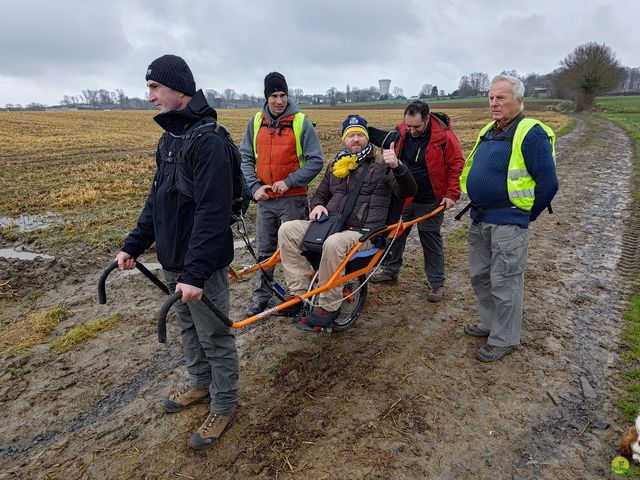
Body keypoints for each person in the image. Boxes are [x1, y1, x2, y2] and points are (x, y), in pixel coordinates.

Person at [115, 54, 239, 449]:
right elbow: (157, 201)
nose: (148, 95)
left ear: (179, 89)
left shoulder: (209, 143)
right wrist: (133, 245)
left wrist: (195, 273)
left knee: (215, 335)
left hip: (199, 265)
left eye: (154, 87)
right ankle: (200, 384)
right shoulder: (170, 138)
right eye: (148, 87)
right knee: (188, 328)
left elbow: (212, 213)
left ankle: (224, 404)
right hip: (173, 261)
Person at [277, 114, 417, 331]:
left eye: (360, 135)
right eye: (351, 135)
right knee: (287, 229)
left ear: (366, 138)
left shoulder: (382, 165)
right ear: (344, 140)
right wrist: (317, 206)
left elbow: (408, 191)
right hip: (331, 225)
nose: (355, 140)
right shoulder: (336, 164)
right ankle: (300, 292)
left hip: (364, 232)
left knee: (334, 243)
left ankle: (328, 305)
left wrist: (398, 166)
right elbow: (320, 194)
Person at [459, 74, 558, 363]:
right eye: (491, 97)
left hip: (507, 223)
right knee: (481, 277)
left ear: (519, 99)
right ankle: (489, 324)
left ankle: (504, 338)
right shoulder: (490, 130)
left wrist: (523, 217)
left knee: (505, 282)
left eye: (500, 97)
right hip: (479, 218)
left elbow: (549, 184)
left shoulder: (530, 133)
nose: (494, 103)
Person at [240, 72, 324, 317]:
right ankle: (261, 297)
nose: (279, 101)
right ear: (266, 97)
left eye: (283, 95)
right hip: (266, 201)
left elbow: (316, 161)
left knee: (296, 250)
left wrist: (289, 182)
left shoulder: (300, 122)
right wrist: (254, 187)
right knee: (265, 252)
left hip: (293, 200)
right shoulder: (256, 122)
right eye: (274, 95)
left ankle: (300, 295)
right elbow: (245, 157)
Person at [368, 101, 464, 302]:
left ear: (427, 118)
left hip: (430, 199)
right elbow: (384, 140)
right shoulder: (403, 131)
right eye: (408, 126)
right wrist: (363, 129)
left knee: (430, 239)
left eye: (416, 127)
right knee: (396, 234)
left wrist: (451, 194)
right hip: (404, 196)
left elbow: (456, 165)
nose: (411, 131)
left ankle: (436, 283)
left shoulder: (444, 137)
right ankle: (390, 271)